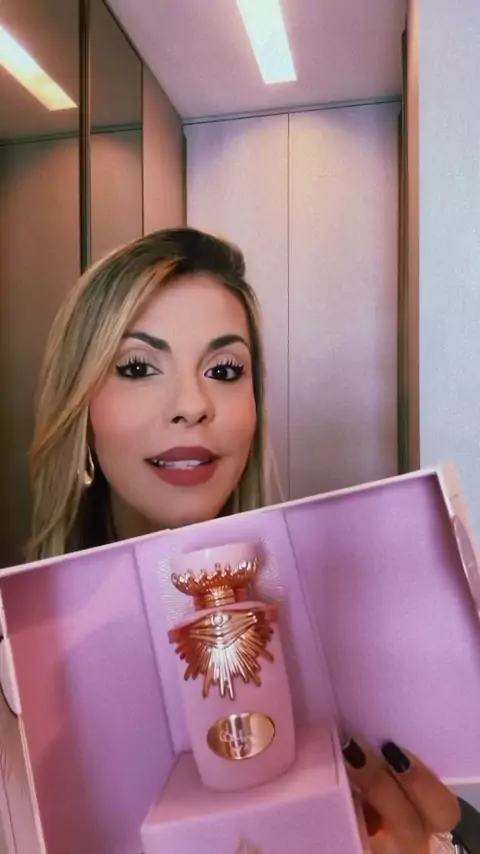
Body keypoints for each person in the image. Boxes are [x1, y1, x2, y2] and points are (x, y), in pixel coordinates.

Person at [28, 227, 477, 852]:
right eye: (137, 367)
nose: (193, 405)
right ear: (80, 410)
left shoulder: (367, 628)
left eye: (224, 370)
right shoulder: (26, 690)